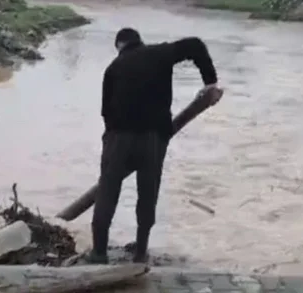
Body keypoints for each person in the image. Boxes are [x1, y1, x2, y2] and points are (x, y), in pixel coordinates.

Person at [88, 27, 222, 264]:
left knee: (107, 192)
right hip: (153, 138)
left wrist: (111, 143)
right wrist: (210, 82)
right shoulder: (159, 53)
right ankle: (141, 252)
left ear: (119, 46)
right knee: (147, 195)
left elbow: (105, 111)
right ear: (139, 41)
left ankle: (99, 253)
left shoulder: (113, 68)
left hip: (119, 138)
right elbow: (195, 44)